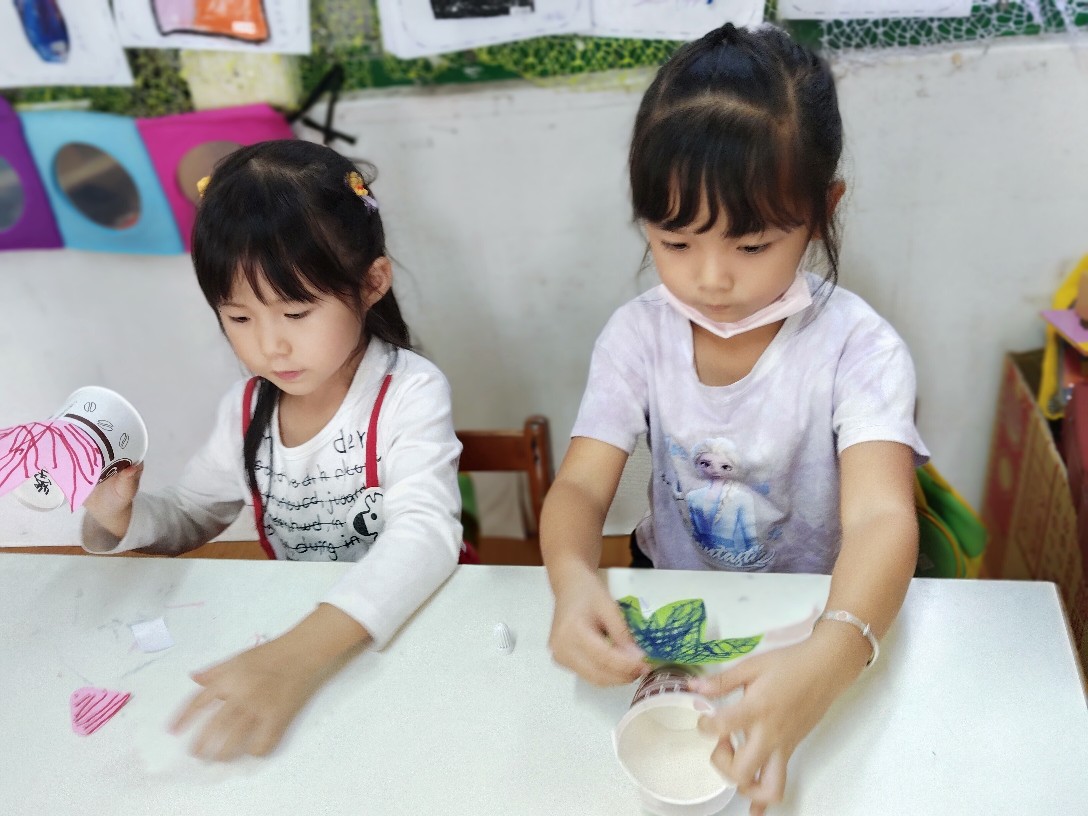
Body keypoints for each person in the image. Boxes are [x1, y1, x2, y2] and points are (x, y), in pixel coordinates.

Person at [541, 22, 927, 814]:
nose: (711, 278)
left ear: (822, 211)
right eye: (675, 241)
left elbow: (883, 518)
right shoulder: (637, 336)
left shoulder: (859, 349)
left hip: (823, 609)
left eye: (751, 246)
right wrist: (572, 579)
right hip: (679, 600)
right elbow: (579, 488)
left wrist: (830, 657)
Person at [82, 139, 463, 761]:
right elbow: (190, 514)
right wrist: (119, 513)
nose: (269, 347)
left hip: (411, 624)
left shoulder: (410, 393)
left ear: (371, 283)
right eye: (239, 318)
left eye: (296, 312)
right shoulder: (244, 409)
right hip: (304, 635)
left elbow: (425, 537)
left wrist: (291, 659)